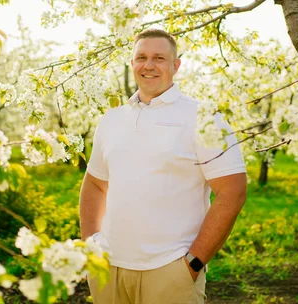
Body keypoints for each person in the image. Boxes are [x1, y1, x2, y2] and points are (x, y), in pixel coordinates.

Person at [79, 29, 247, 304]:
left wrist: (193, 263)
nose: (149, 65)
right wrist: (90, 245)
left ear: (175, 66)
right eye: (141, 57)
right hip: (108, 268)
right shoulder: (111, 120)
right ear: (132, 63)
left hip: (169, 269)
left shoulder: (203, 117)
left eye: (159, 58)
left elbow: (233, 191)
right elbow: (96, 183)